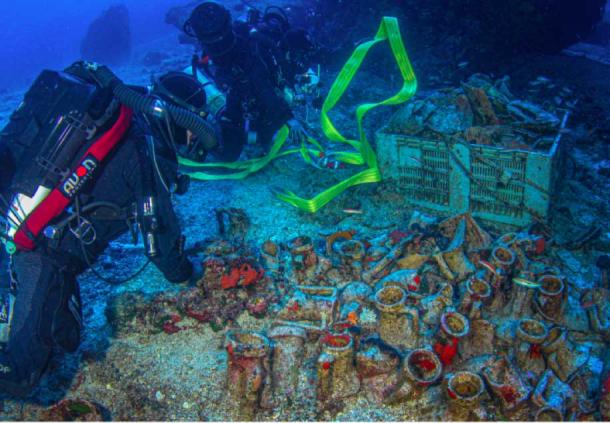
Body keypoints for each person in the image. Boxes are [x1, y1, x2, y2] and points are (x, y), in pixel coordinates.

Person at [0, 62, 213, 397]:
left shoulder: (120, 116)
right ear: (179, 117)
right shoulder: (150, 151)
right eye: (193, 128)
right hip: (42, 253)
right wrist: (191, 273)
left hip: (13, 218)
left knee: (65, 337)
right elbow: (160, 247)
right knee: (21, 374)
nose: (192, 139)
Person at [183, 2, 317, 161]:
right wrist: (290, 118)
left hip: (247, 88)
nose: (216, 45)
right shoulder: (242, 46)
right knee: (232, 151)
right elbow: (261, 88)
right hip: (238, 91)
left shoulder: (249, 46)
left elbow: (263, 86)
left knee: (252, 139)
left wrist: (288, 117)